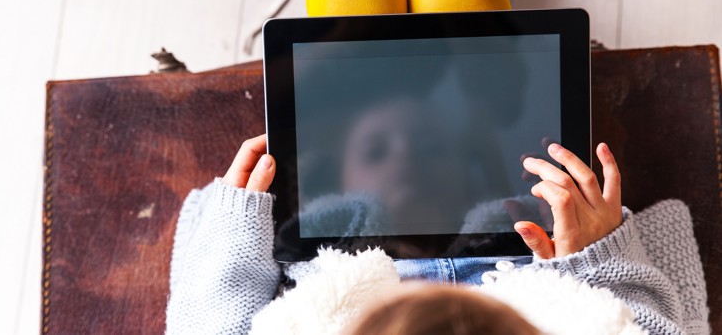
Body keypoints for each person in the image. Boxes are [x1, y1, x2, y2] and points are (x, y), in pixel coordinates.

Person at [165, 135, 709, 334]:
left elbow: (213, 321)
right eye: (379, 150)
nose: (407, 159)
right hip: (533, 269)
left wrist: (236, 228)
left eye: (431, 146)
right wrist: (596, 256)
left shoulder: (321, 245)